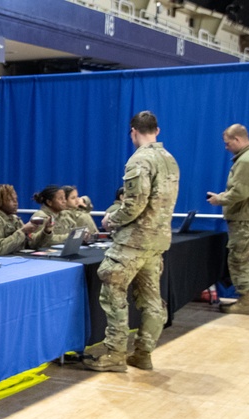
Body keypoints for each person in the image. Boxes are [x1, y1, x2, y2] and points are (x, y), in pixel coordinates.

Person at [85, 111, 179, 372]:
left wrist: (111, 219)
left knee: (113, 290)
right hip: (156, 240)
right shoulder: (170, 160)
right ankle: (143, 353)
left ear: (133, 132)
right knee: (151, 299)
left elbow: (135, 204)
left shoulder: (140, 160)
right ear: (157, 130)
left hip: (133, 241)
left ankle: (115, 354)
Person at [207, 124, 249, 315]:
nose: (226, 148)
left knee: (240, 260)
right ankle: (245, 299)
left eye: (228, 144)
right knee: (244, 258)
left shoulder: (248, 160)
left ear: (237, 139)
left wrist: (220, 199)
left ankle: (245, 302)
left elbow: (241, 191)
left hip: (245, 219)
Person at [0, 184, 51, 256]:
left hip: (14, 259)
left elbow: (31, 244)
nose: (16, 203)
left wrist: (45, 231)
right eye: (11, 200)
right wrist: (23, 231)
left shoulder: (15, 219)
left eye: (16, 199)